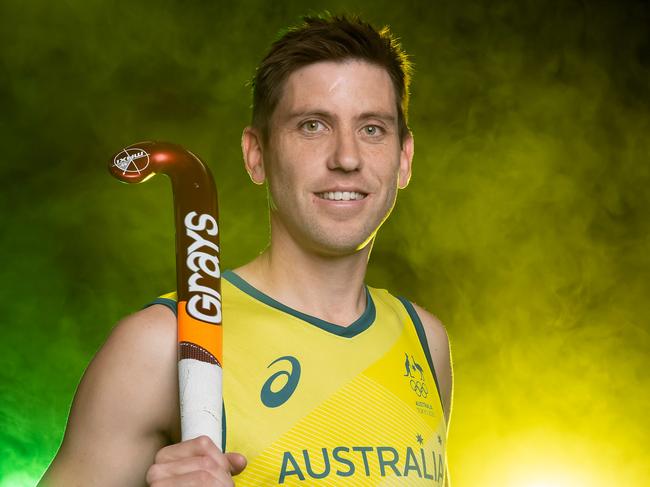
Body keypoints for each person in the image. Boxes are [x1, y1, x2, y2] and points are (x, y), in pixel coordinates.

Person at [39, 13, 453, 486]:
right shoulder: (161, 344)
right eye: (313, 125)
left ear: (404, 159)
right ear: (256, 154)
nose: (347, 158)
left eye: (373, 129)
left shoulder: (424, 340)